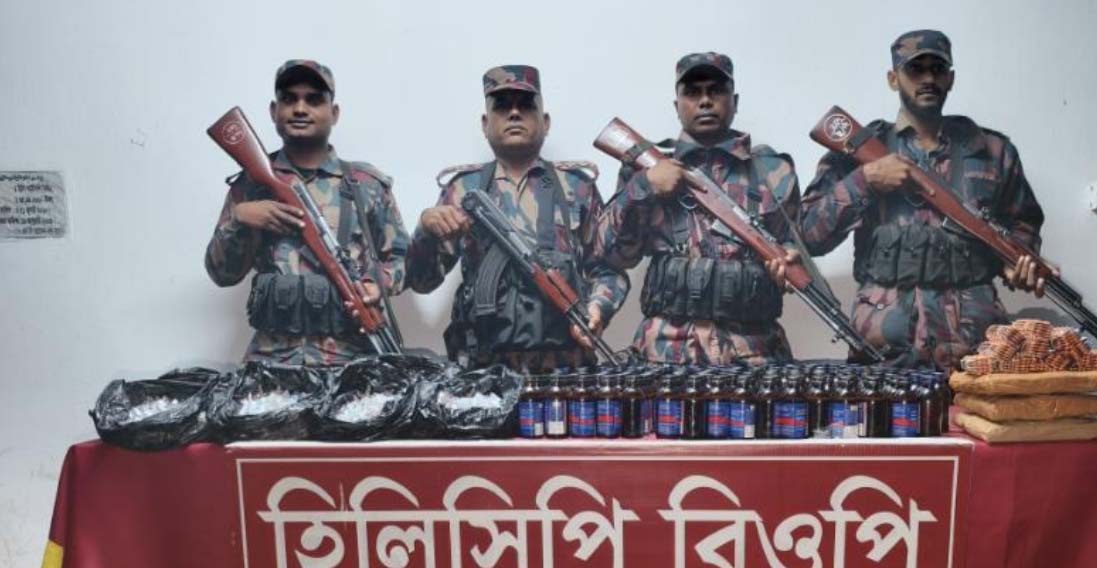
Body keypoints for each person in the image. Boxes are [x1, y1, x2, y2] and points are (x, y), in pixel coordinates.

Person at [799, 30, 1046, 369]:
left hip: (975, 351)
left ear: (951, 79)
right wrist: (864, 181)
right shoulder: (858, 151)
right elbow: (809, 236)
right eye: (915, 69)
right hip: (885, 350)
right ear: (893, 79)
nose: (928, 78)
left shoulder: (992, 150)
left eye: (938, 69)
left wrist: (1016, 261)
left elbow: (1024, 222)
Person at [405, 65, 629, 371]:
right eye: (501, 106)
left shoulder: (577, 187)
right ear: (485, 124)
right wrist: (425, 230)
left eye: (525, 106)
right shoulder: (462, 190)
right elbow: (422, 281)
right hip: (484, 373)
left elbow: (608, 269)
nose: (514, 114)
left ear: (545, 122)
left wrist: (598, 308)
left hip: (565, 369)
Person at [596, 52, 802, 365]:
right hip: (666, 351)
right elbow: (612, 255)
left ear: (735, 101)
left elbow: (791, 242)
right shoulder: (645, 168)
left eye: (716, 91)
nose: (705, 101)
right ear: (676, 105)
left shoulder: (773, 171)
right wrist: (644, 186)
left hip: (755, 351)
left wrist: (787, 261)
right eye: (692, 93)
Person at [205, 60, 409, 365]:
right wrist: (239, 220)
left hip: (351, 361)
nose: (300, 109)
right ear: (273, 111)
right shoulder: (251, 184)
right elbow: (222, 274)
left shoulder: (365, 184)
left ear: (334, 113)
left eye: (314, 100)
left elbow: (402, 258)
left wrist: (376, 283)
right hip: (272, 361)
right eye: (289, 99)